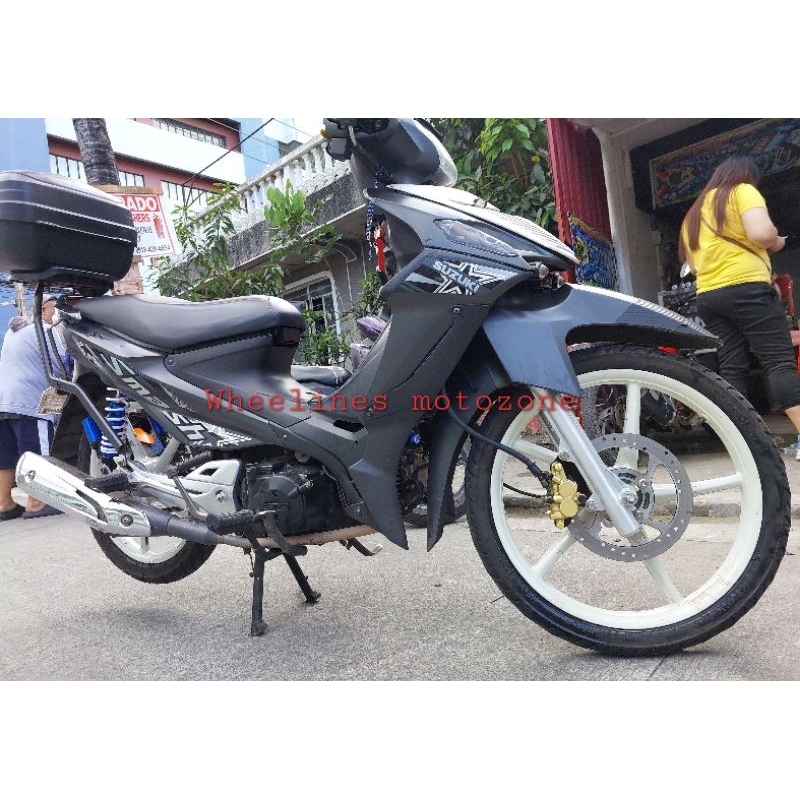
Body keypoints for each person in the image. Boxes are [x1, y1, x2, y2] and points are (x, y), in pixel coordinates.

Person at [678, 154, 800, 457]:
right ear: (747, 175)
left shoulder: (694, 214)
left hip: (709, 296)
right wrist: (776, 241)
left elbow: (693, 266)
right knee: (778, 362)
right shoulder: (741, 191)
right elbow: (761, 233)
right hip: (748, 289)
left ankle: (745, 446)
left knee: (732, 366)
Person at [0, 294, 64, 520]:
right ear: (44, 310)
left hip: (4, 402)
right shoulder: (44, 330)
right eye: (57, 309)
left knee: (6, 455)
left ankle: (4, 504)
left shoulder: (14, 330)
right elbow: (64, 363)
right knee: (36, 453)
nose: (59, 315)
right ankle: (37, 502)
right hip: (30, 402)